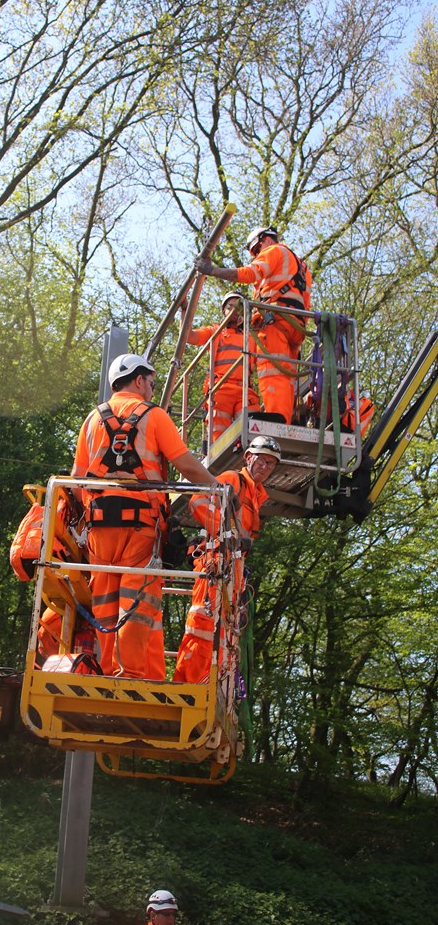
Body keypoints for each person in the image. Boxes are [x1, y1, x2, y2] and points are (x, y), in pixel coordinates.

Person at [71, 353, 220, 680]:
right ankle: (131, 677)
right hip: (140, 528)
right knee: (137, 607)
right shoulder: (154, 416)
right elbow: (187, 466)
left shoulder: (92, 419)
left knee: (106, 606)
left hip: (98, 529)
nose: (152, 389)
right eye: (151, 382)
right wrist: (220, 489)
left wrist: (92, 518)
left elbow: (77, 477)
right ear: (138, 380)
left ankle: (111, 673)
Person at [173, 435, 280, 684]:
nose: (265, 467)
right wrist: (229, 534)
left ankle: (213, 684)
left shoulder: (256, 494)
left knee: (224, 634)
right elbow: (198, 501)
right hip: (216, 565)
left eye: (270, 464)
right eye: (261, 461)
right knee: (203, 627)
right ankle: (189, 684)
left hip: (233, 571)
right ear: (248, 458)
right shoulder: (234, 480)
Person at [195, 226, 312, 425]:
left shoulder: (274, 251)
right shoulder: (301, 266)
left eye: (257, 250)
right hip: (296, 324)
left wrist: (212, 271)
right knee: (285, 374)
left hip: (276, 322)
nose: (257, 255)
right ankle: (285, 417)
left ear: (265, 240)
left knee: (270, 371)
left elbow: (250, 273)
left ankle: (278, 418)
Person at [185, 295, 260, 442]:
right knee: (218, 439)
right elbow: (189, 337)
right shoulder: (215, 331)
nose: (233, 311)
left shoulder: (253, 337)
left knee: (253, 433)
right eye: (229, 307)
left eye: (237, 307)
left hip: (245, 391)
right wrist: (185, 311)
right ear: (223, 311)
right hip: (221, 390)